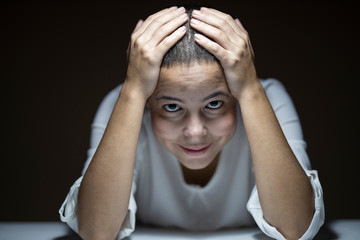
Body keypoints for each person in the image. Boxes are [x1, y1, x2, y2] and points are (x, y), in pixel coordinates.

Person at [59, 5, 325, 240]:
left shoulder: (265, 97)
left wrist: (250, 88)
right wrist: (133, 90)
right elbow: (96, 233)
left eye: (215, 104)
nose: (196, 132)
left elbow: (295, 229)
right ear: (148, 105)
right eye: (172, 107)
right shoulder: (125, 104)